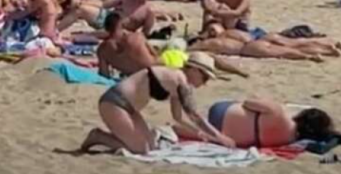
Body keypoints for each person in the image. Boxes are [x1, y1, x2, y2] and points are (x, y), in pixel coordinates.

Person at [80, 53, 235, 154]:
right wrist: (220, 137)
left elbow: (178, 117)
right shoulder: (180, 80)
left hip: (129, 109)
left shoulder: (177, 82)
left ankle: (114, 137)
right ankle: (98, 137)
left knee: (150, 147)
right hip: (114, 103)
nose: (204, 83)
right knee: (140, 150)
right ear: (194, 70)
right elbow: (194, 114)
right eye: (205, 78)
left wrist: (201, 134)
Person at [176, 100, 335, 149]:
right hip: (229, 138)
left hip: (221, 113)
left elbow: (248, 102)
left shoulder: (278, 112)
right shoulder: (286, 141)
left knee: (246, 104)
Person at [189, 21, 336, 62]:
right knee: (293, 45)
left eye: (213, 29)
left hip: (251, 47)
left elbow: (192, 49)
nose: (212, 32)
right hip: (258, 39)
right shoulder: (228, 33)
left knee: (290, 49)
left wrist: (199, 38)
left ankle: (320, 51)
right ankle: (327, 48)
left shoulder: (216, 39)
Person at [97, 12, 160, 77]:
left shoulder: (102, 50)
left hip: (135, 77)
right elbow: (155, 54)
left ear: (106, 28)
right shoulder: (137, 37)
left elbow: (104, 74)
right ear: (121, 24)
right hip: (154, 71)